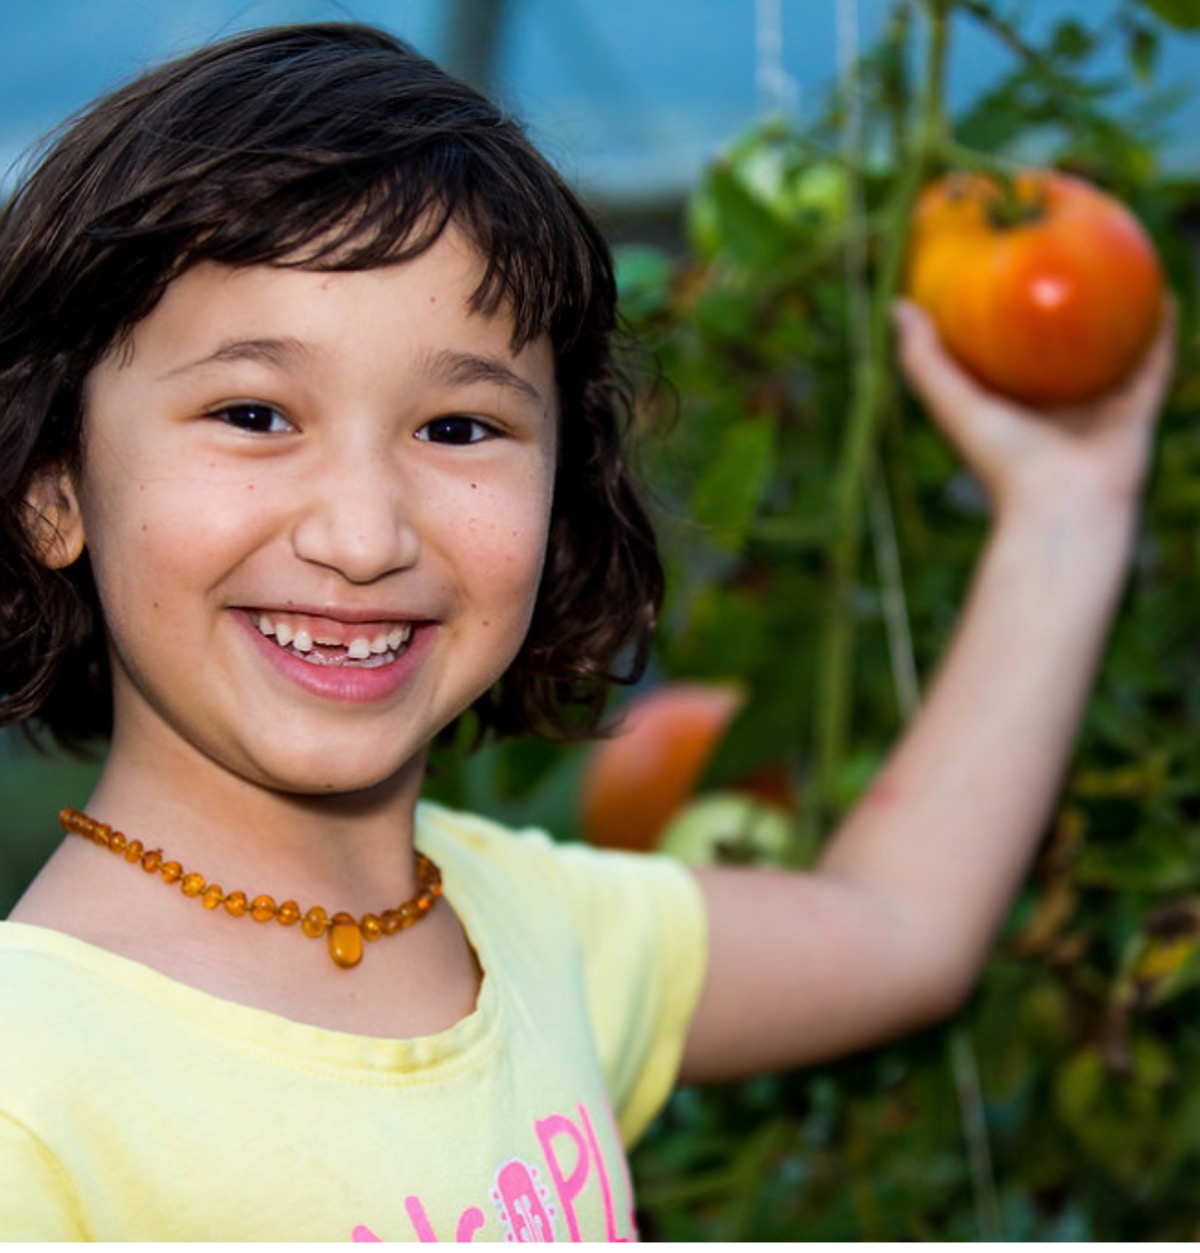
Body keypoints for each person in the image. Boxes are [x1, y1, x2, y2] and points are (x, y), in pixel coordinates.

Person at [0, 21, 1174, 1243]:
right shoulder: (29, 1095)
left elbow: (903, 930)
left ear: (563, 483)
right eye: (253, 411)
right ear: (53, 485)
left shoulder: (523, 923)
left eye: (459, 427)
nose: (363, 534)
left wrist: (1067, 504)